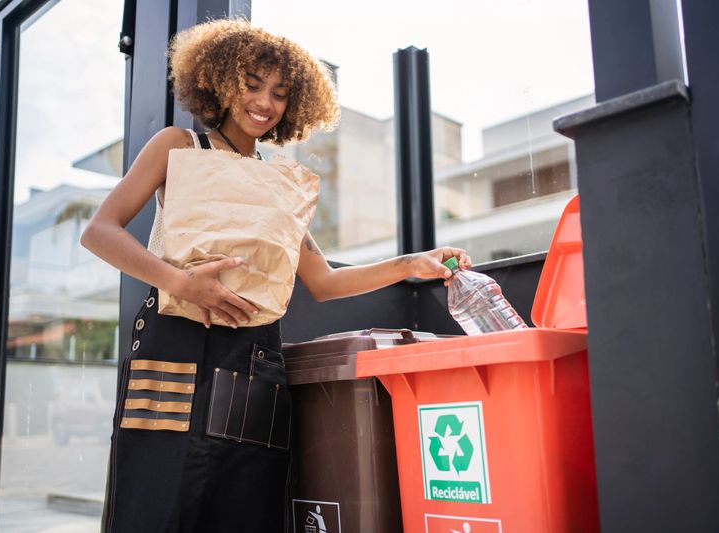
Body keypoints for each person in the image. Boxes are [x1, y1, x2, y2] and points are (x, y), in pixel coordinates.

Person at [81, 18, 471, 533]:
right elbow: (99, 232)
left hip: (252, 356)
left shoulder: (281, 182)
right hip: (174, 349)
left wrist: (411, 263)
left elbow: (324, 281)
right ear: (220, 79)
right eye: (252, 84)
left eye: (280, 93)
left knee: (245, 501)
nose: (265, 102)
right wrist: (181, 283)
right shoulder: (178, 145)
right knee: (156, 501)